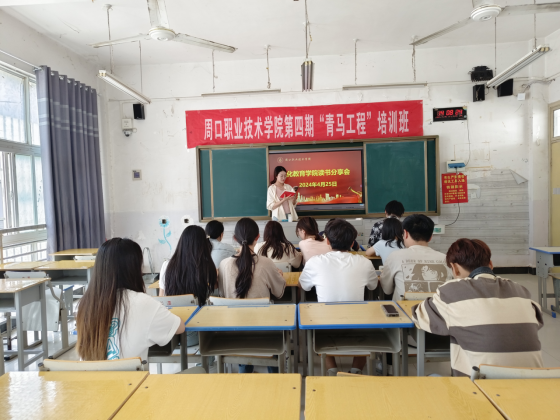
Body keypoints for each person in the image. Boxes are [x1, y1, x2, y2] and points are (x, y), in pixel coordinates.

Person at [413, 239, 544, 377]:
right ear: (490, 264)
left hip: (480, 387)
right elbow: (538, 320)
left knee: (432, 377)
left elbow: (419, 315)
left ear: (454, 268)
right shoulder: (521, 290)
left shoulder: (451, 292)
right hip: (533, 385)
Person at [76, 238, 184, 361]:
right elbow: (179, 327)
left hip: (90, 374)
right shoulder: (144, 303)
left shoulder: (85, 304)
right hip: (130, 375)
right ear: (133, 269)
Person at [299, 218, 378, 376]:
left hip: (324, 328)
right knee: (368, 319)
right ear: (352, 242)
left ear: (327, 241)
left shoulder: (315, 262)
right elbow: (373, 286)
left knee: (315, 315)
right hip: (358, 327)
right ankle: (356, 371)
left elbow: (304, 286)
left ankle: (332, 369)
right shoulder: (364, 262)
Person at [218, 217, 286, 373]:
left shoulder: (224, 264)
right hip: (264, 332)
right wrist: (280, 276)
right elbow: (279, 292)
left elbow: (223, 294)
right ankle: (274, 372)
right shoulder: (266, 263)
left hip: (232, 331)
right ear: (258, 237)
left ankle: (245, 372)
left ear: (234, 238)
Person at [158, 225, 217, 345]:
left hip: (170, 336)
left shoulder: (166, 265)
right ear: (203, 245)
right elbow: (215, 290)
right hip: (198, 335)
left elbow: (161, 299)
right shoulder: (207, 267)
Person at [380, 214, 451, 300]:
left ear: (405, 234)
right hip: (438, 308)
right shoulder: (446, 259)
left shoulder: (395, 256)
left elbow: (387, 290)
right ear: (430, 237)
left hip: (404, 308)